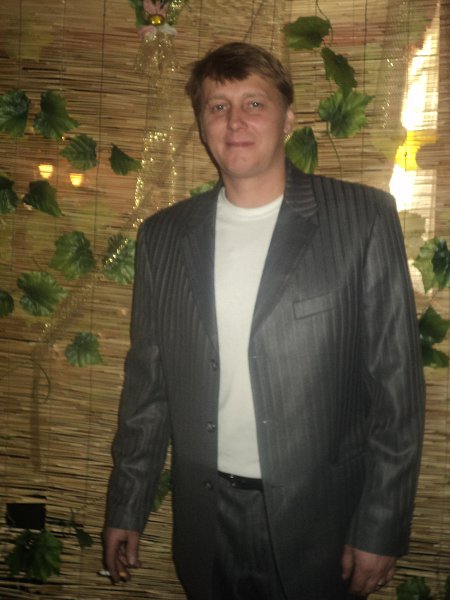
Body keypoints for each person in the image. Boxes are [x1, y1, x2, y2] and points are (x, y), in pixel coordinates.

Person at [103, 42, 425, 600]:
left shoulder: (361, 219)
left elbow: (396, 391)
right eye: (218, 106)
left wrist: (380, 525)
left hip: (323, 523)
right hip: (206, 522)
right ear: (202, 124)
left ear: (288, 119)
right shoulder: (164, 237)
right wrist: (126, 506)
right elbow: (147, 391)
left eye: (254, 103)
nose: (235, 121)